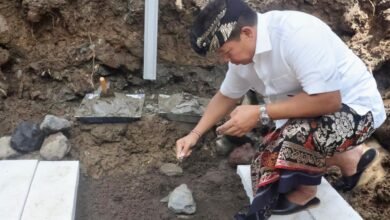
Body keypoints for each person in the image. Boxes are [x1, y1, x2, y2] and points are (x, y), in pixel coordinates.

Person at [175, 0, 386, 219]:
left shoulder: (297, 35)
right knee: (269, 158)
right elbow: (227, 96)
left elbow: (329, 100)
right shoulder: (244, 58)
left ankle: (305, 192)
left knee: (286, 149)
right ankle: (350, 159)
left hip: (356, 109)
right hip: (313, 113)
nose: (225, 60)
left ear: (247, 33)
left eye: (226, 52)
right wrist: (194, 134)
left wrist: (260, 113)